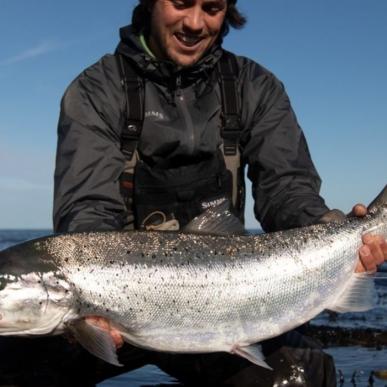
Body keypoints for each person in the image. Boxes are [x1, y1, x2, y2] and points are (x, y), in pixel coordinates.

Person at [53, 0, 387, 385]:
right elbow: (87, 210)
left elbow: (288, 191)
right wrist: (92, 293)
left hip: (224, 302)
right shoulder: (97, 89)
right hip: (111, 305)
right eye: (180, 3)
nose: (195, 23)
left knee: (301, 376)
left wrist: (337, 233)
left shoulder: (254, 86)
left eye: (211, 8)